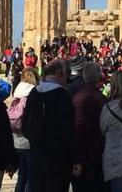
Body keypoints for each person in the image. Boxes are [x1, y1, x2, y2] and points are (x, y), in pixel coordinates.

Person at [24, 58, 82, 192]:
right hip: (57, 157)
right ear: (60, 73)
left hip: (36, 154)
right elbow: (68, 130)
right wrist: (75, 158)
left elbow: (26, 124)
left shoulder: (34, 93)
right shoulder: (62, 95)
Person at [72, 62, 108, 192]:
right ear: (99, 78)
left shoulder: (74, 98)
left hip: (79, 154)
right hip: (97, 155)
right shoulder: (102, 100)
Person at [9, 68, 37, 192]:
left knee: (21, 176)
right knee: (31, 177)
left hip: (16, 141)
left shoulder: (17, 95)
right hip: (29, 142)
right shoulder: (33, 96)